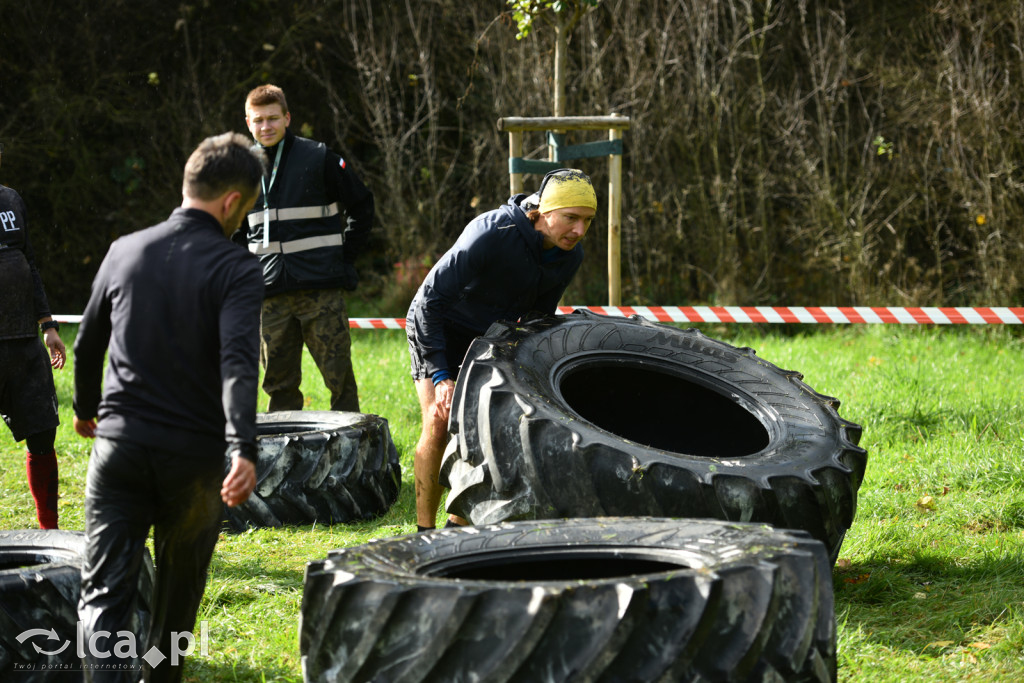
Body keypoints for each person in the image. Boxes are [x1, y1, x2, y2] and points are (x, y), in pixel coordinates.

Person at [72, 132, 265, 683]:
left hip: (121, 449)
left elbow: (87, 343)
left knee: (103, 596)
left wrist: (87, 409)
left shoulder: (124, 250)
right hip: (195, 461)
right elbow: (237, 363)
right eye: (245, 209)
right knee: (177, 607)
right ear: (232, 202)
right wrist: (242, 448)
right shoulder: (236, 269)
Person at [406, 168, 598, 531]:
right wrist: (442, 374)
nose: (579, 231)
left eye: (587, 221)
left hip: (488, 338)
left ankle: (455, 526)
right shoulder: (492, 232)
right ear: (544, 211)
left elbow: (537, 318)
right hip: (438, 326)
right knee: (438, 418)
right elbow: (429, 302)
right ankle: (423, 531)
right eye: (571, 218)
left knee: (489, 424)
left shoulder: (570, 254)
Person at [239, 84, 375, 412]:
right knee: (278, 387)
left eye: (273, 118)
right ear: (247, 122)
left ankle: (354, 456)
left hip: (320, 290)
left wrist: (344, 259)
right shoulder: (239, 168)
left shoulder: (318, 156)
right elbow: (232, 230)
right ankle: (286, 459)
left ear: (287, 118)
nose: (266, 126)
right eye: (258, 120)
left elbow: (362, 205)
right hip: (269, 295)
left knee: (339, 381)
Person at [0, 141, 67, 530]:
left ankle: (50, 531)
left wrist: (48, 325)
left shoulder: (11, 199)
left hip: (24, 344)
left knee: (43, 435)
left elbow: (30, 263)